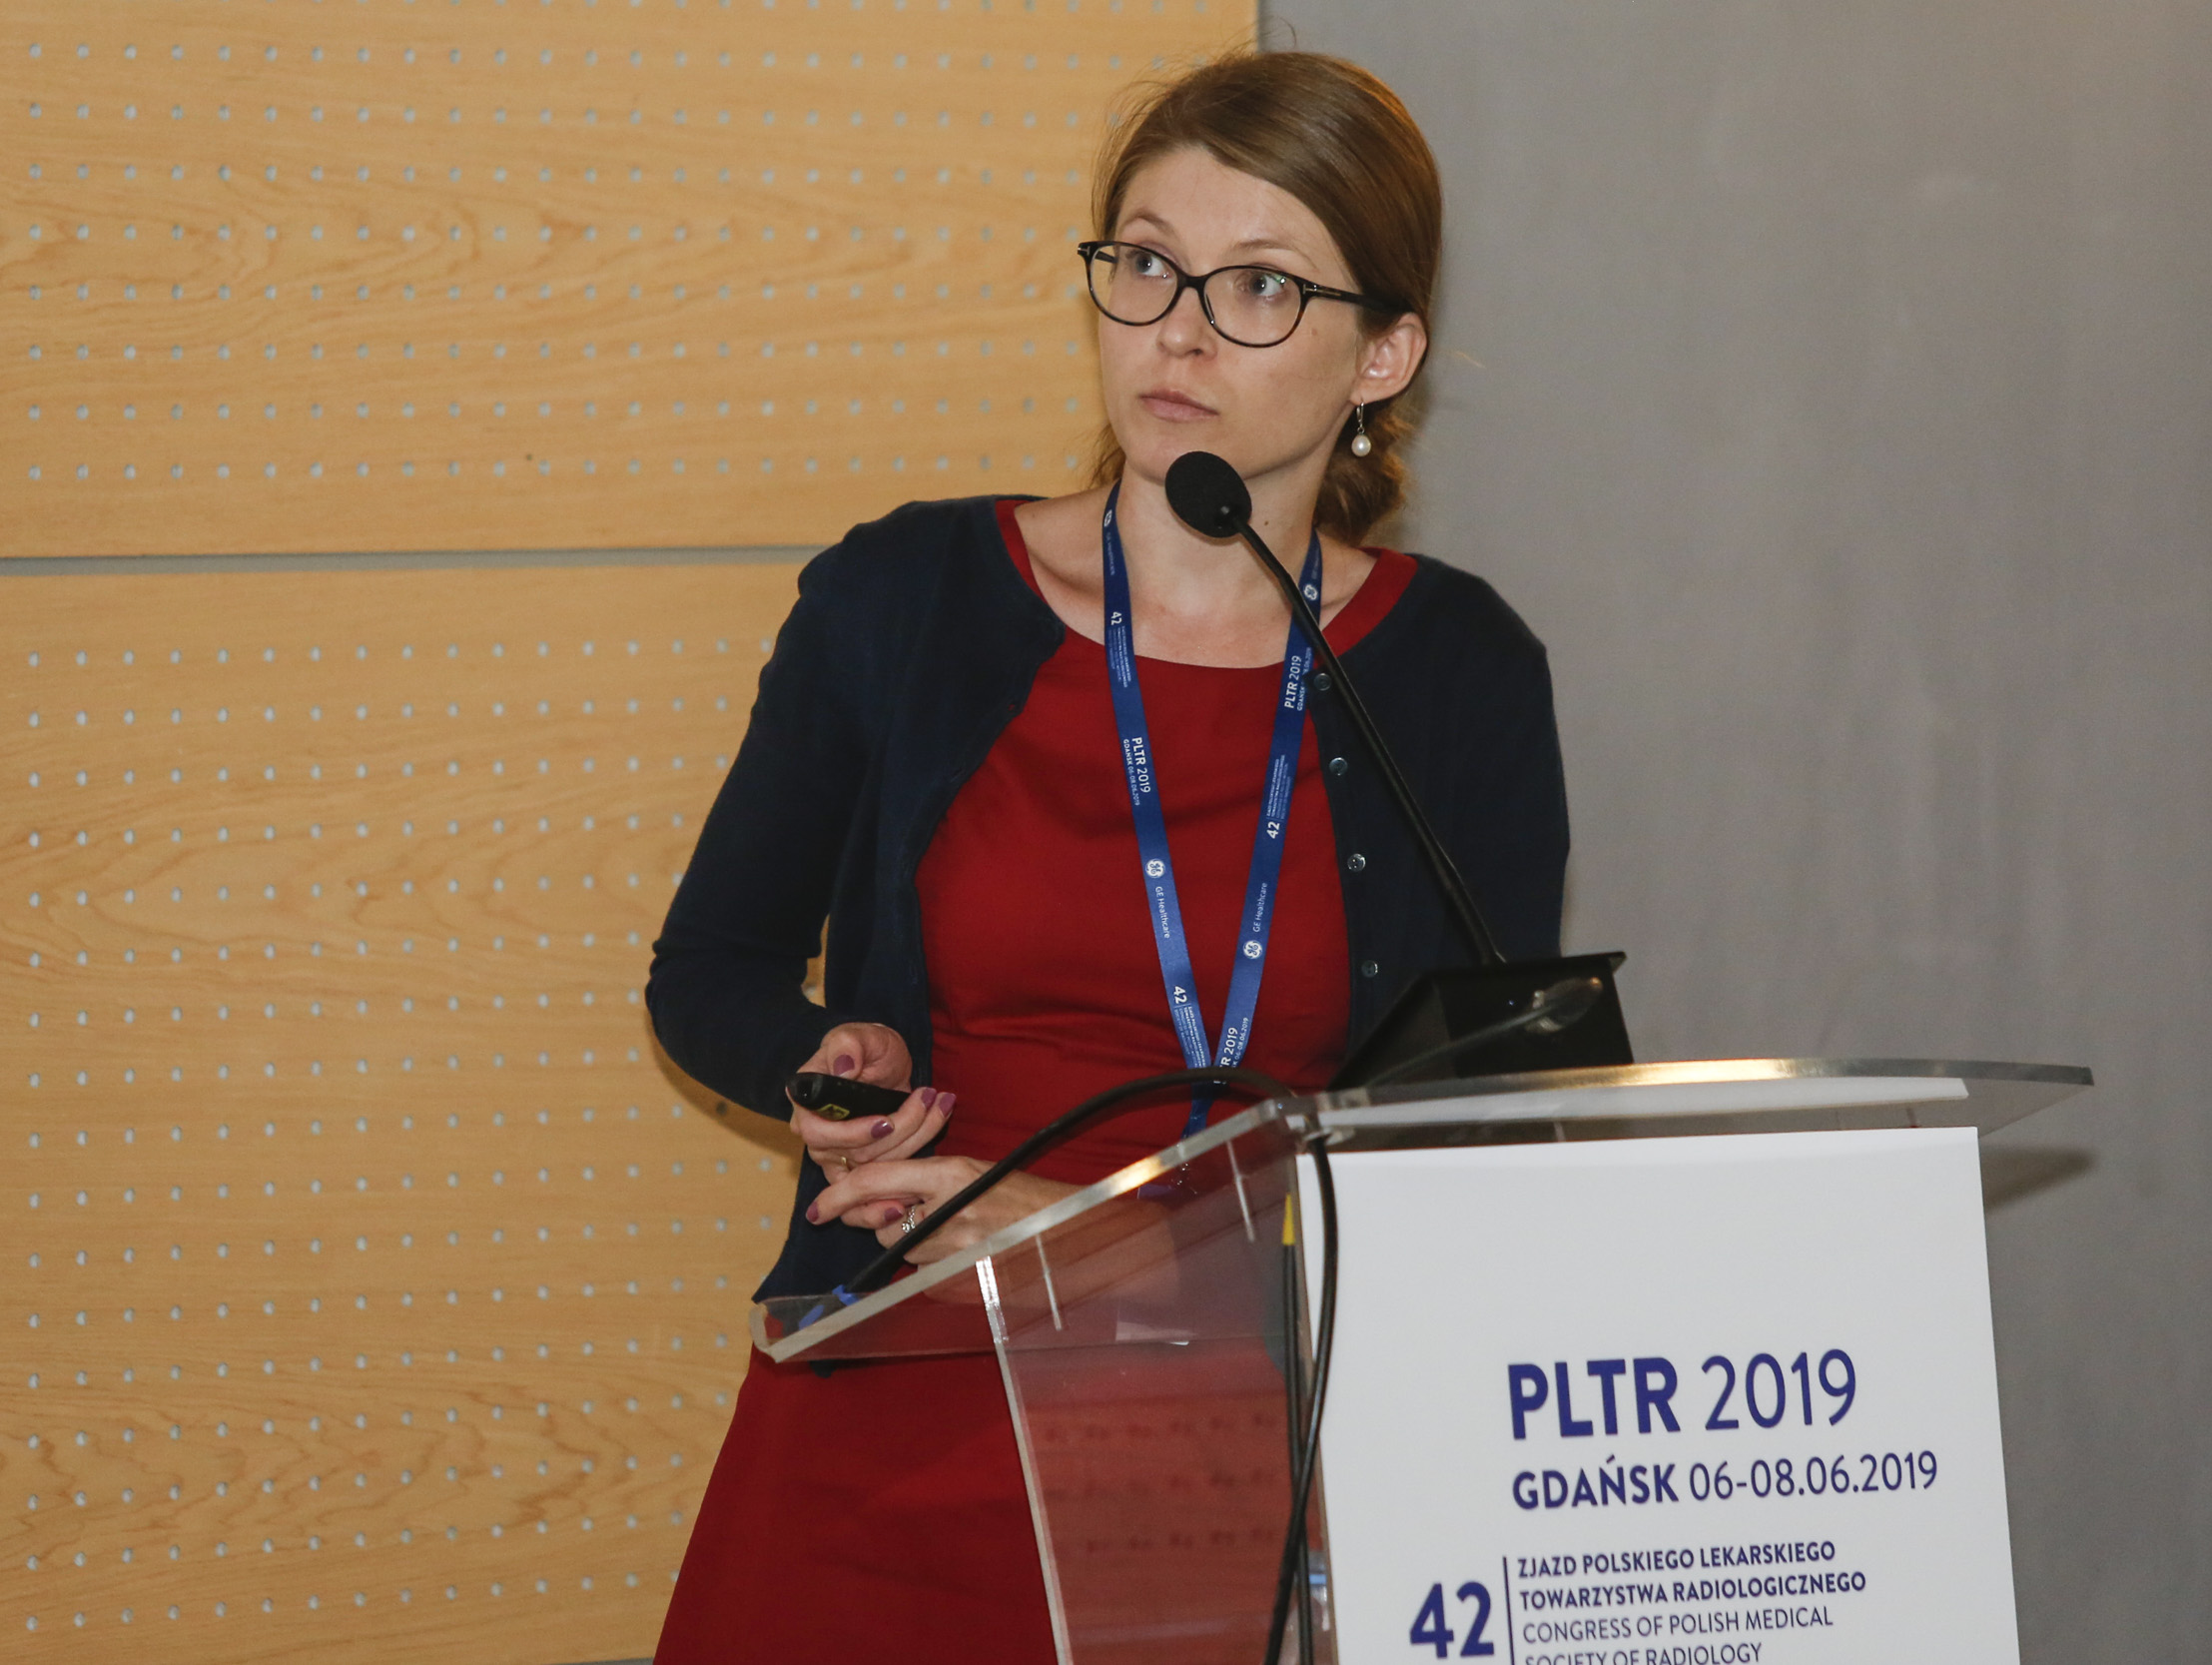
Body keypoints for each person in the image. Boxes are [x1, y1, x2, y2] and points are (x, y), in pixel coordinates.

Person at [644, 50, 1568, 1661]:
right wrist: (825, 1062)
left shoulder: (1457, 672)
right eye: (1146, 264)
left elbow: (1469, 1140)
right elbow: (708, 973)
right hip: (895, 1405)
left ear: (1384, 353)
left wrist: (1077, 1232)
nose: (1178, 333)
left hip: (1261, 1439)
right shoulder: (906, 599)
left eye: (1260, 285)